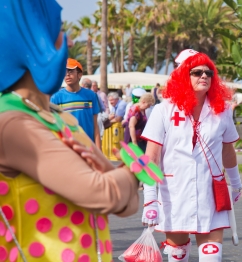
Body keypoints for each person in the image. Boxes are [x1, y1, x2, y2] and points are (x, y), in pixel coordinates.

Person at [0, 1, 139, 260]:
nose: (70, 40)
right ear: (33, 37)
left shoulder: (58, 116)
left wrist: (116, 182)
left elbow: (128, 206)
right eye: (60, 29)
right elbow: (103, 195)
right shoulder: (12, 122)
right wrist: (132, 174)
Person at [140, 51, 242, 262]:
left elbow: (227, 150)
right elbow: (151, 157)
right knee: (178, 256)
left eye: (208, 72)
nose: (204, 76)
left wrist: (236, 183)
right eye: (196, 72)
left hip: (211, 194)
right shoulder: (163, 110)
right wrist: (150, 198)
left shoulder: (222, 111)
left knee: (212, 258)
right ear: (183, 76)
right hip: (175, 195)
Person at [51, 58, 102, 149]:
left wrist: (99, 151)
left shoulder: (91, 96)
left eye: (70, 71)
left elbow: (95, 126)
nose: (67, 74)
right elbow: (53, 127)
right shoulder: (56, 97)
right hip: (67, 149)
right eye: (65, 71)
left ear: (79, 74)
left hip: (89, 148)